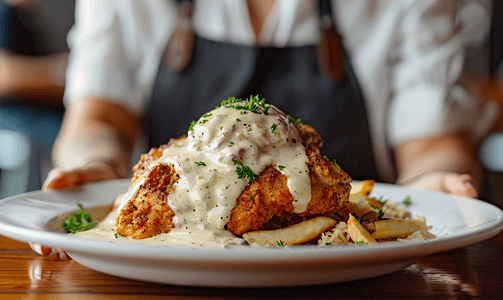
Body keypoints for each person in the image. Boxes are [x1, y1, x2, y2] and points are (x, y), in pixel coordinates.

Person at [43, 0, 488, 198]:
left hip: (354, 269)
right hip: (172, 263)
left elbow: (432, 144)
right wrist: (94, 167)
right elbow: (97, 120)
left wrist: (436, 187)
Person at [0, 0, 74, 198]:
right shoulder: (4, 12)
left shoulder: (29, 18)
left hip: (40, 112)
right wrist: (60, 71)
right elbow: (4, 75)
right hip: (12, 117)